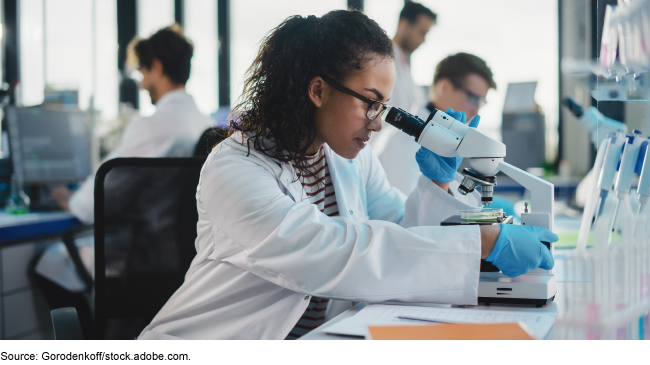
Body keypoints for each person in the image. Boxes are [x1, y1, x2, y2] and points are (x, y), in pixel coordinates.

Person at [138, 10, 556, 340]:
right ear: (318, 91)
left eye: (385, 106)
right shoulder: (233, 168)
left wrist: (437, 186)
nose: (377, 123)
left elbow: (398, 234)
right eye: (370, 102)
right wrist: (479, 242)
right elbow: (328, 254)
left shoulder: (347, 158)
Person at [36, 25, 213, 338]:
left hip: (142, 255)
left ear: (156, 67)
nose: (143, 84)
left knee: (49, 263)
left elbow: (96, 201)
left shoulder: (152, 125)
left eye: (142, 72)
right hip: (181, 254)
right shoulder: (205, 123)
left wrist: (68, 199)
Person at [369, 2, 437, 195]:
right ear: (404, 24)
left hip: (398, 160)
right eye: (421, 32)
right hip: (383, 160)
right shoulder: (383, 62)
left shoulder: (405, 65)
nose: (423, 40)